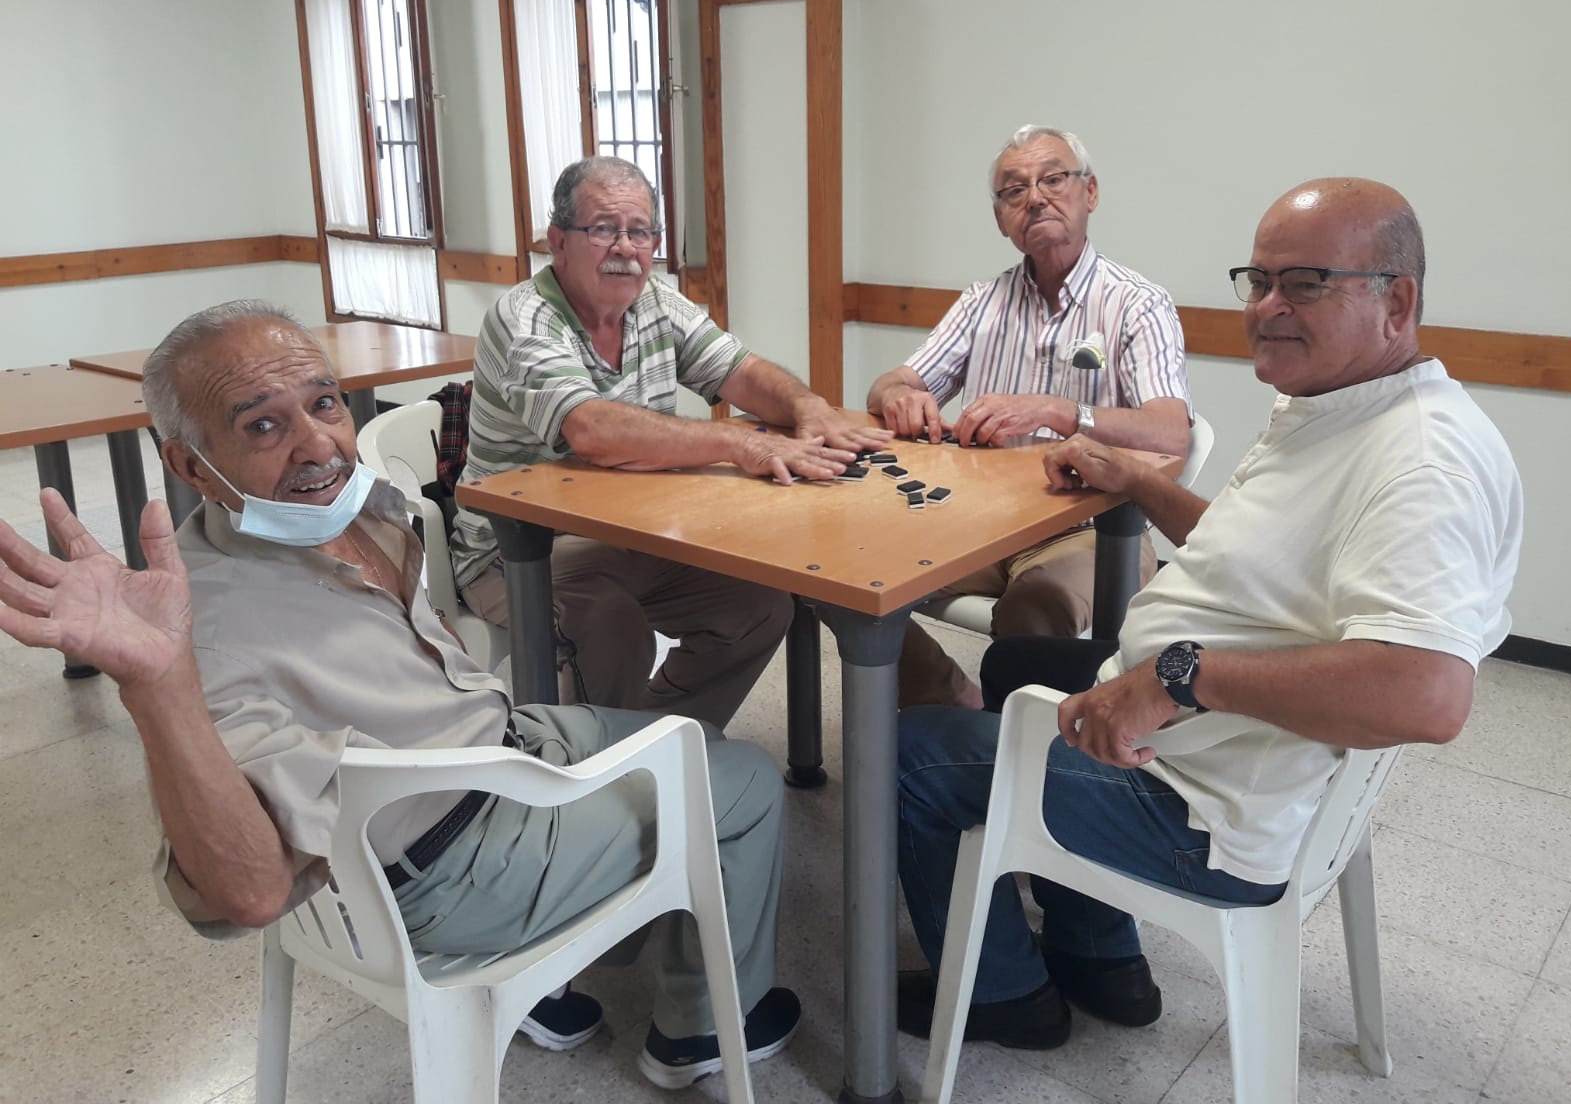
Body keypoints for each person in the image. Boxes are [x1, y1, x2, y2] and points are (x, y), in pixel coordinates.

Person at [0, 302, 800, 1090]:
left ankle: (583, 950)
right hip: (450, 856)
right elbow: (247, 893)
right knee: (749, 781)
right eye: (262, 426)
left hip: (498, 744)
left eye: (321, 404)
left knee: (690, 737)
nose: (318, 445)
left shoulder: (350, 510)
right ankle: (693, 1031)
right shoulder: (200, 627)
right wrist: (154, 688)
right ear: (187, 464)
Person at [894, 179, 1523, 1049]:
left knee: (903, 755)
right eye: (1258, 280)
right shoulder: (1337, 406)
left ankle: (1003, 998)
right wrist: (1142, 482)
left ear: (1398, 301)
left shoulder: (1422, 465)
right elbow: (1250, 555)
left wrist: (1178, 678)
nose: (1267, 308)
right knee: (1016, 668)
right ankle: (1098, 957)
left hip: (1199, 804)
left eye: (1305, 283)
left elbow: (1426, 696)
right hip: (1224, 750)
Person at [452, 155, 889, 726]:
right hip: (517, 550)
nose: (626, 248)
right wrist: (738, 445)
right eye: (604, 229)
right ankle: (603, 781)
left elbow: (740, 370)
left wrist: (808, 406)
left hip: (628, 533)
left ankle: (656, 744)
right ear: (558, 242)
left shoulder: (655, 301)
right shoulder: (524, 318)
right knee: (610, 627)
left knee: (759, 605)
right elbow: (591, 429)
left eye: (640, 232)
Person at [866, 125, 1191, 710]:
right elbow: (895, 381)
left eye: (1053, 179)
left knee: (1031, 613)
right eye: (1014, 190)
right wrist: (897, 394)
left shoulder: (1138, 302)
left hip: (1088, 527)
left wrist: (1061, 412)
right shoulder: (980, 301)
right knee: (850, 580)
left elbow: (1171, 434)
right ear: (1001, 218)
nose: (1034, 197)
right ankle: (954, 703)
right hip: (974, 518)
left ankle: (1016, 764)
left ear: (1089, 193)